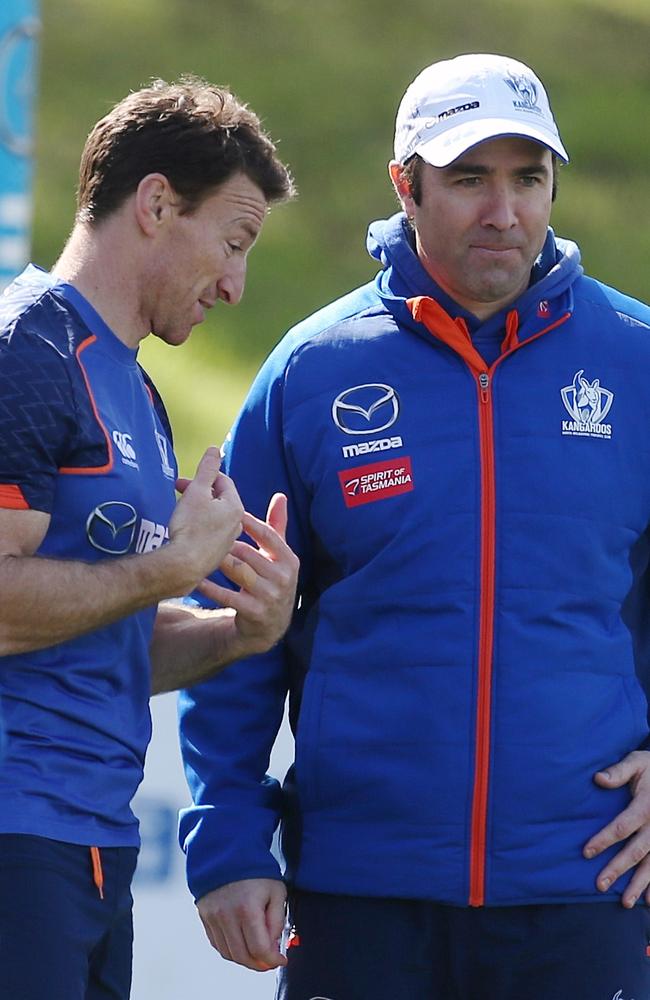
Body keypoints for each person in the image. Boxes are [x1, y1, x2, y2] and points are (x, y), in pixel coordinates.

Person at [178, 54, 650, 999]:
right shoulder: (311, 371)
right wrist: (227, 835)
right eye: (469, 178)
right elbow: (231, 614)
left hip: (588, 887)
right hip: (361, 894)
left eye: (528, 179)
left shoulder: (634, 361)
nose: (503, 211)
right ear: (407, 185)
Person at [0, 76, 299, 1000]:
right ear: (158, 203)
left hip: (94, 843)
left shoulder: (137, 390)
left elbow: (107, 635)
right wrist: (176, 564)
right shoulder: (27, 351)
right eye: (233, 241)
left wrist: (240, 631)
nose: (237, 283)